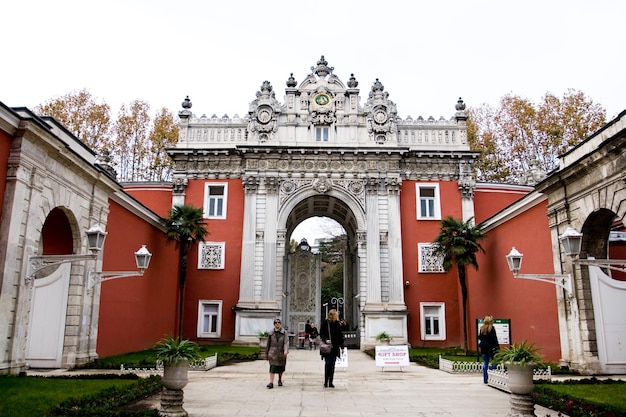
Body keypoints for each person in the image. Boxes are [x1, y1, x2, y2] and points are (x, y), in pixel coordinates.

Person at [319, 309, 344, 388]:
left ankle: (331, 381)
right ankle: (326, 381)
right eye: (336, 315)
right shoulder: (325, 323)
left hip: (335, 347)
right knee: (328, 363)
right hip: (327, 347)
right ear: (333, 315)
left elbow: (340, 336)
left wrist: (342, 347)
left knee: (332, 364)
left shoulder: (337, 324)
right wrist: (326, 339)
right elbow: (321, 333)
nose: (337, 316)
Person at [266, 318, 289, 388]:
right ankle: (271, 382)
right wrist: (266, 353)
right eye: (275, 323)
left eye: (278, 322)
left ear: (280, 324)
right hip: (272, 352)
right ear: (274, 324)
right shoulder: (271, 333)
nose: (277, 324)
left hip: (281, 352)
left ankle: (279, 379)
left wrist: (286, 350)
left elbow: (286, 342)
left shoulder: (284, 333)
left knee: (280, 367)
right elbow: (268, 343)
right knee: (272, 367)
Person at [477, 315, 500, 384]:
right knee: (495, 361)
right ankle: (491, 369)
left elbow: (479, 337)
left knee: (485, 363)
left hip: (483, 348)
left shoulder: (482, 328)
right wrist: (497, 347)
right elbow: (494, 339)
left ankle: (485, 378)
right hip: (491, 348)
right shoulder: (492, 328)